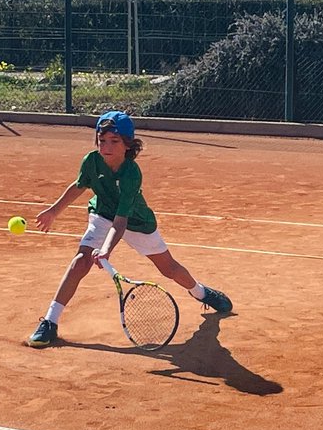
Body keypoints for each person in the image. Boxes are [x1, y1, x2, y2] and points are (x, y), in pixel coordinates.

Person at [26, 110, 232, 348]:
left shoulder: (132, 173)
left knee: (169, 268)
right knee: (80, 261)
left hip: (135, 222)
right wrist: (54, 211)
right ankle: (50, 322)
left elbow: (121, 221)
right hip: (102, 213)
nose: (106, 147)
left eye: (114, 141)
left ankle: (201, 292)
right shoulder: (91, 161)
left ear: (127, 145)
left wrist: (106, 250)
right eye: (102, 141)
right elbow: (80, 185)